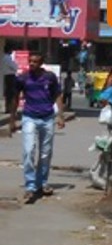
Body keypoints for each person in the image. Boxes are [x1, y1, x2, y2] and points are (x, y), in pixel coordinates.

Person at [10, 52, 65, 203]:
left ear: (41, 63)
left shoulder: (49, 77)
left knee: (45, 153)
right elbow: (15, 98)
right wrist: (12, 120)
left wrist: (60, 115)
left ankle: (42, 182)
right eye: (31, 61)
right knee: (28, 150)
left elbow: (57, 95)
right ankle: (30, 185)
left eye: (36, 61)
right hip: (29, 117)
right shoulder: (23, 78)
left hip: (47, 118)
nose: (32, 64)